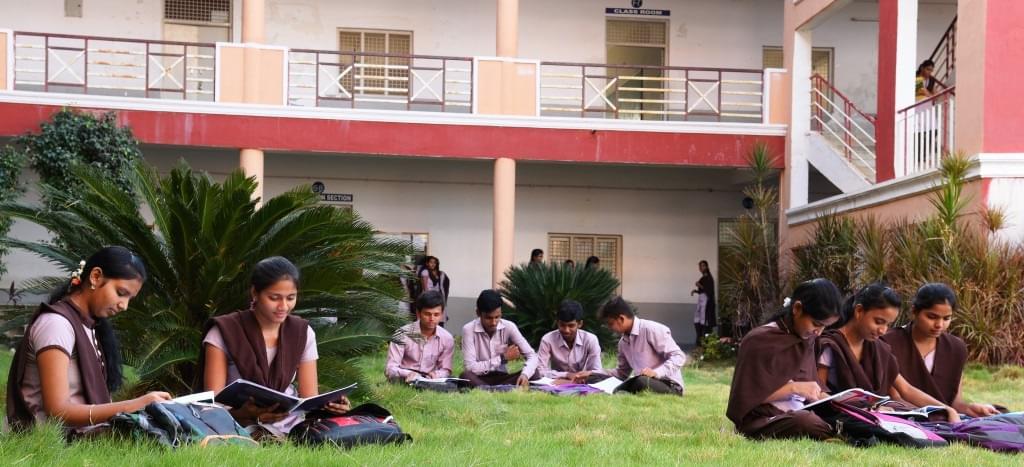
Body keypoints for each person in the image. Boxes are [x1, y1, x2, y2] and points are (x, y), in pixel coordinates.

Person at [6, 246, 172, 434]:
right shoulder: (56, 324)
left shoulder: (90, 326)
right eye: (121, 293)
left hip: (81, 436)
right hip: (51, 441)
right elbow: (57, 411)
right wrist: (132, 405)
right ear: (95, 277)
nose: (124, 306)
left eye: (130, 299)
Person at [200, 256, 349, 434]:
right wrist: (243, 414)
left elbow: (309, 397)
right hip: (231, 424)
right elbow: (213, 403)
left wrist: (331, 406)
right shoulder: (224, 332)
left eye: (291, 298)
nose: (283, 306)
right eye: (274, 298)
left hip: (289, 424)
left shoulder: (302, 333)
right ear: (255, 293)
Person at [815, 283, 959, 422]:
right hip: (836, 414)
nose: (883, 330)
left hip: (870, 415)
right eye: (878, 321)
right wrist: (857, 411)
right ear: (859, 311)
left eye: (888, 324)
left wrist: (946, 409)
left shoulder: (879, 348)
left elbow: (906, 389)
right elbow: (819, 393)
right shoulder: (831, 344)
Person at [726, 279, 841, 440]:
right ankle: (839, 433)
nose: (819, 333)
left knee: (847, 413)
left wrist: (837, 402)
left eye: (824, 327)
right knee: (805, 421)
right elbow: (747, 397)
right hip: (763, 419)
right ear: (797, 308)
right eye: (816, 324)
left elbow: (811, 389)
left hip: (800, 411)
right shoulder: (758, 340)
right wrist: (794, 388)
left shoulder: (808, 339)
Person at [881, 283, 1000, 417]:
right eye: (932, 317)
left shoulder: (956, 348)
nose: (939, 325)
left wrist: (970, 409)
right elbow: (897, 399)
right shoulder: (888, 342)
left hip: (946, 417)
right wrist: (941, 412)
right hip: (906, 416)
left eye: (946, 318)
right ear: (914, 311)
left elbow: (955, 403)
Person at [600, 296, 686, 395]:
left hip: (669, 384)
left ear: (621, 318)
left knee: (640, 381)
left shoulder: (651, 329)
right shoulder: (623, 343)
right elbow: (621, 373)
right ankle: (620, 390)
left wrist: (656, 372)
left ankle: (623, 391)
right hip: (642, 381)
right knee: (598, 378)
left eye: (610, 324)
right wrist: (593, 373)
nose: (609, 328)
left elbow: (679, 356)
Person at [459, 289, 538, 387]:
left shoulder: (509, 326)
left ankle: (492, 390)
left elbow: (532, 355)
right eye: (488, 318)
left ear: (501, 313)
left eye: (497, 317)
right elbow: (471, 367)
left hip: (503, 377)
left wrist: (525, 375)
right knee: (465, 376)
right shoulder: (468, 329)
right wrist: (502, 358)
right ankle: (495, 390)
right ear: (478, 313)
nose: (493, 322)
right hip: (479, 378)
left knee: (534, 373)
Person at [385, 290, 455, 383]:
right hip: (404, 379)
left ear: (442, 314)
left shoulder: (446, 338)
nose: (432, 319)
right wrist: (408, 374)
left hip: (430, 380)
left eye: (436, 314)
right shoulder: (402, 334)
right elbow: (390, 369)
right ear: (418, 313)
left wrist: (436, 375)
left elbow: (446, 370)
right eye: (427, 314)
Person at [536, 300, 605, 383]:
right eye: (562, 325)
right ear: (557, 322)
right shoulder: (547, 340)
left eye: (571, 325)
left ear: (580, 324)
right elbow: (540, 371)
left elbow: (596, 372)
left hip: (580, 381)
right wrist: (566, 375)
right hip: (556, 382)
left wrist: (580, 378)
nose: (566, 330)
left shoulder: (590, 339)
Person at [418, 255, 450, 324]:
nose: (433, 264)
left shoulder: (439, 273)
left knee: (439, 317)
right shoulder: (425, 272)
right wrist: (428, 298)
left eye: (434, 262)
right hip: (430, 298)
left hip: (438, 297)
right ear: (427, 263)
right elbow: (425, 287)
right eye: (431, 262)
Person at [690, 260, 716, 344]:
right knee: (697, 321)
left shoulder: (709, 277)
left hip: (706, 304)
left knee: (704, 323)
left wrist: (699, 285)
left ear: (707, 267)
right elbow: (702, 291)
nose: (701, 268)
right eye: (700, 266)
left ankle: (703, 342)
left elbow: (708, 291)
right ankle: (699, 339)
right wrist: (696, 291)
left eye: (703, 266)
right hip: (701, 303)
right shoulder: (703, 277)